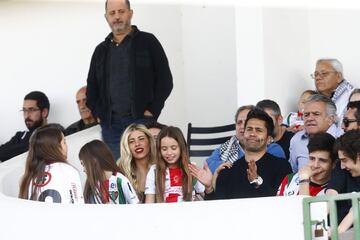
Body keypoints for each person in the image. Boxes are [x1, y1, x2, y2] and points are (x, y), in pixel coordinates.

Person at [86, 0, 173, 160]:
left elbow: (165, 80)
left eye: (121, 11)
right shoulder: (100, 51)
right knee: (119, 172)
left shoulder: (148, 42)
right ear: (106, 17)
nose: (117, 17)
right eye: (112, 13)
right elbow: (91, 88)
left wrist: (152, 110)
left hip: (142, 120)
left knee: (148, 168)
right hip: (111, 127)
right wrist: (101, 115)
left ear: (130, 13)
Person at [213, 108, 292, 199]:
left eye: (258, 130)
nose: (252, 134)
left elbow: (282, 205)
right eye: (249, 129)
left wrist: (257, 181)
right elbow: (219, 209)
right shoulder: (228, 171)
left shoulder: (282, 167)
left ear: (269, 139)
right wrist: (209, 189)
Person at [206, 105, 286, 173]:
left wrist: (229, 168)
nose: (242, 126)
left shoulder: (273, 148)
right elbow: (208, 163)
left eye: (246, 122)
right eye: (239, 122)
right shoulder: (227, 147)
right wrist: (224, 166)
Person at [18, 124, 84, 203]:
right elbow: (78, 206)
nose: (66, 146)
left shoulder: (27, 178)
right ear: (55, 147)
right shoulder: (69, 171)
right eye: (64, 142)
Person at [145, 126, 208, 203]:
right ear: (159, 150)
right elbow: (149, 203)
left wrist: (209, 186)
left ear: (181, 148)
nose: (169, 153)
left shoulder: (191, 168)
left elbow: (205, 197)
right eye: (164, 149)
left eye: (173, 148)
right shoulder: (154, 171)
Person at [289, 94, 341, 173]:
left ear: (331, 119)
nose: (309, 118)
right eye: (306, 115)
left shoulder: (342, 139)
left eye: (316, 114)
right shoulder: (296, 140)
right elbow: (295, 173)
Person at [79, 140, 139, 204]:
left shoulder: (120, 180)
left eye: (84, 164)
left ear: (94, 160)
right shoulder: (92, 187)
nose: (83, 170)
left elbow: (136, 205)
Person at [325, 130, 360, 235]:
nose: (342, 166)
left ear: (358, 156)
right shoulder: (342, 169)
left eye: (344, 160)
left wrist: (337, 232)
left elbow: (356, 208)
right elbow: (331, 194)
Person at [0, 91, 50, 162]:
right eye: (24, 110)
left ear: (44, 112)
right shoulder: (20, 136)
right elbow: (1, 152)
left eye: (31, 110)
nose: (26, 115)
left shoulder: (53, 134)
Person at [118, 123, 156, 203]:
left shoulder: (161, 167)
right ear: (127, 146)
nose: (137, 144)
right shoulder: (122, 172)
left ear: (149, 141)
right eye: (131, 141)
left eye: (141, 139)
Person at [311, 58, 355, 123]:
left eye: (324, 73)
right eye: (316, 74)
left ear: (339, 77)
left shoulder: (353, 96)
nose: (317, 78)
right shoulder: (312, 97)